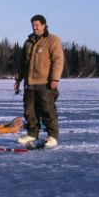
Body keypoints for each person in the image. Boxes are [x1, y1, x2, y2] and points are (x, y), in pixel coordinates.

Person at [14, 14, 64, 148]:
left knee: (48, 110)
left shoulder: (52, 40)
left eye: (37, 25)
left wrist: (55, 78)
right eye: (33, 25)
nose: (34, 28)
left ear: (43, 25)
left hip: (46, 83)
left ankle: (52, 136)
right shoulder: (28, 42)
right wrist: (18, 80)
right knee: (29, 111)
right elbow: (22, 64)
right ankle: (31, 134)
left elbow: (58, 60)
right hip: (30, 83)